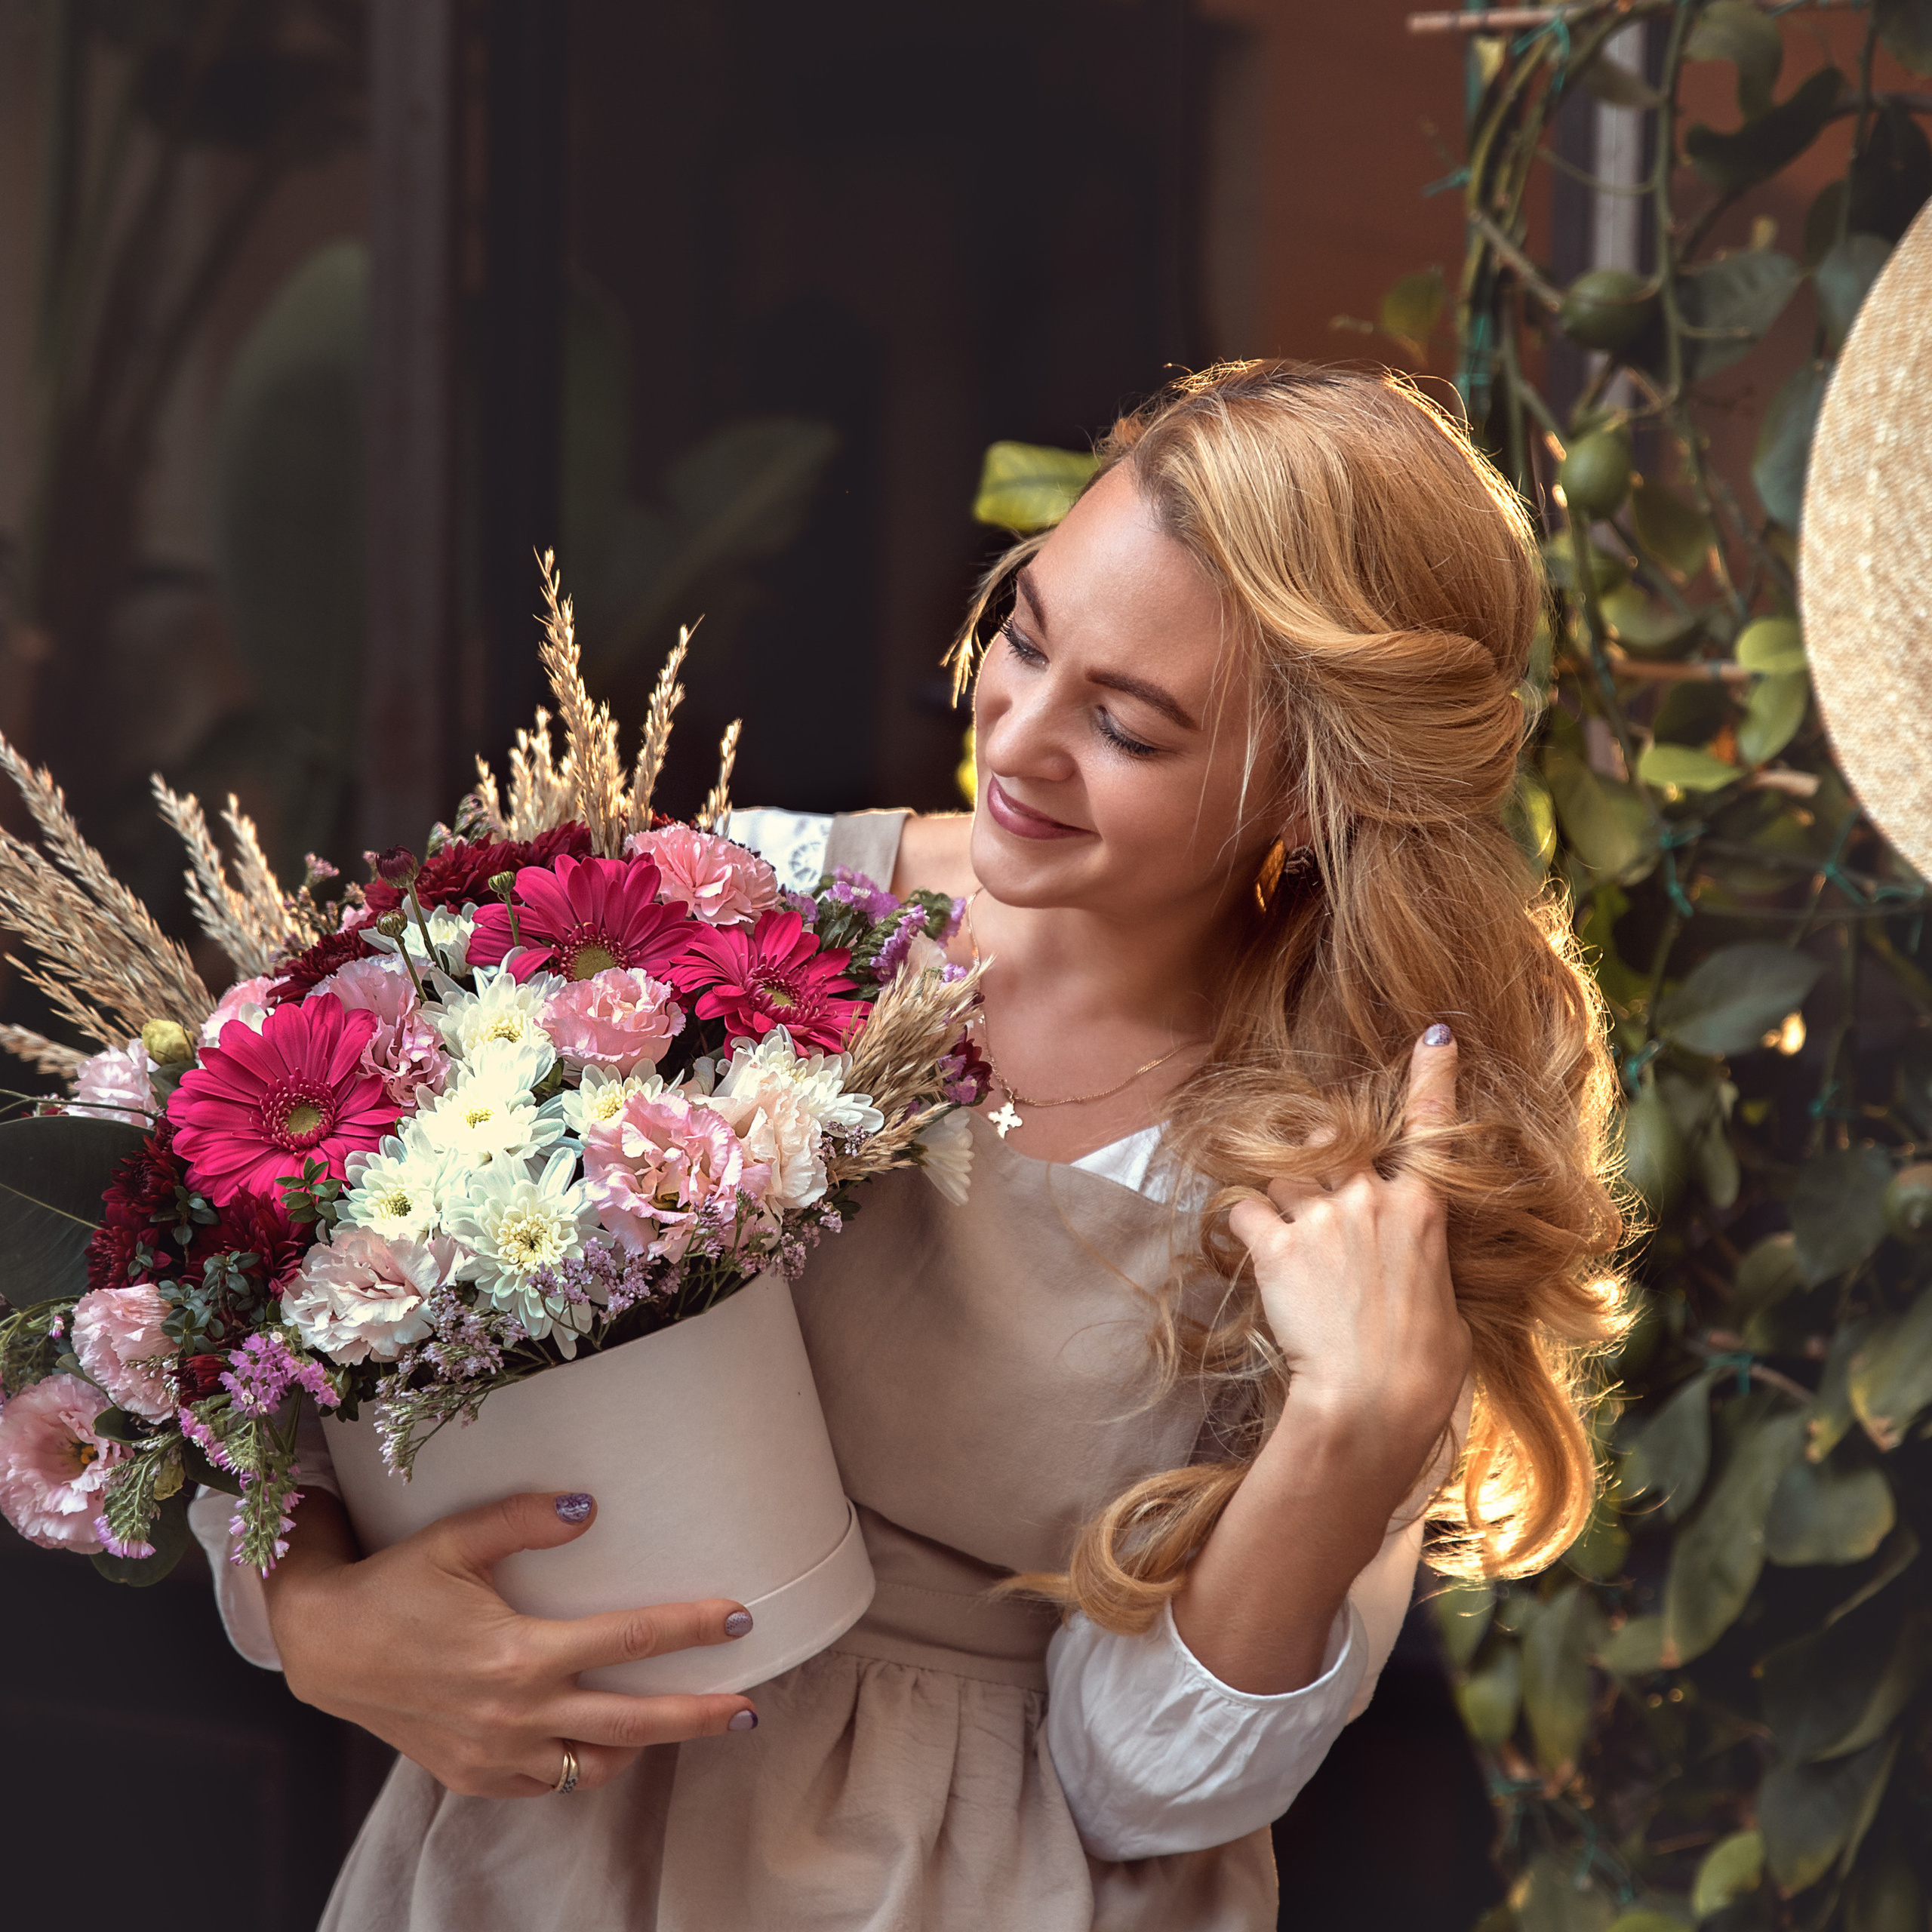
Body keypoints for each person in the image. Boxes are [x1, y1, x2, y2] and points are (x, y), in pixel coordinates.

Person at [214, 361, 1624, 1930]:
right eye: (1024, 635)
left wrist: (1352, 1425)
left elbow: (1143, 1783)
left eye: (1130, 727)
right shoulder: (733, 909)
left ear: (1316, 782)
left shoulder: (1361, 1151)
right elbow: (301, 1293)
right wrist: (313, 1608)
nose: (1017, 738)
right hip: (549, 1864)